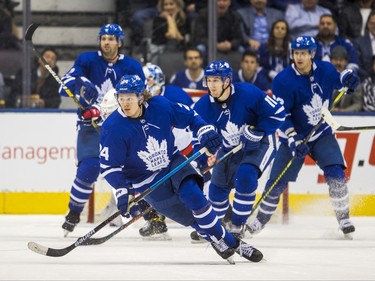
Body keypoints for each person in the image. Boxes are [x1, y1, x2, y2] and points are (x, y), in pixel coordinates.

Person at [100, 74, 264, 263]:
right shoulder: (112, 127)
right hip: (146, 182)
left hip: (173, 163)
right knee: (193, 220)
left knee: (194, 197)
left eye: (129, 98)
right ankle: (222, 239)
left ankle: (233, 244)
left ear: (141, 97)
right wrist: (122, 190)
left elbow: (191, 117)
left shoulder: (160, 106)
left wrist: (204, 130)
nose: (125, 103)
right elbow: (110, 167)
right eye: (121, 98)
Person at [246, 36, 360, 239]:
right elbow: (282, 116)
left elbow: (341, 80)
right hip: (294, 138)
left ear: (312, 54)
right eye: (296, 53)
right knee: (276, 183)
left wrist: (349, 79)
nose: (299, 57)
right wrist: (293, 138)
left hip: (321, 132)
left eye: (303, 53)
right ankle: (258, 222)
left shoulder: (325, 69)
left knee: (336, 173)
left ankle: (344, 219)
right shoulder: (283, 80)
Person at [59, 23, 145, 236]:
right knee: (89, 168)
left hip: (121, 127)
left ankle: (148, 214)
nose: (106, 42)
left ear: (119, 42)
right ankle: (73, 212)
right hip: (90, 125)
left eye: (110, 38)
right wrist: (80, 83)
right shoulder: (87, 60)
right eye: (103, 38)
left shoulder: (132, 66)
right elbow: (63, 87)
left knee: (135, 170)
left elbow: (143, 96)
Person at [191, 60, 285, 240]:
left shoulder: (248, 93)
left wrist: (258, 131)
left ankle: (237, 225)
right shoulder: (203, 105)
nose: (211, 85)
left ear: (227, 81)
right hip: (229, 148)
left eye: (216, 80)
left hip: (261, 143)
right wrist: (199, 159)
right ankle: (214, 227)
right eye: (209, 80)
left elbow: (278, 113)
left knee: (246, 176)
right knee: (217, 189)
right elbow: (198, 137)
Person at [149, 0, 188, 64]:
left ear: (177, 5)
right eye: (165, 5)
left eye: (171, 4)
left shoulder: (183, 19)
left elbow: (180, 38)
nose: (168, 7)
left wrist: (172, 18)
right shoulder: (158, 19)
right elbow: (171, 35)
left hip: (179, 50)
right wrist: (169, 18)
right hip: (159, 52)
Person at [329, 46, 363, 112]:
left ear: (346, 61)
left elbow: (358, 104)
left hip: (347, 118)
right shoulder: (323, 79)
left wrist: (343, 111)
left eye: (341, 60)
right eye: (335, 59)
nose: (338, 63)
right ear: (330, 60)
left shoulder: (353, 81)